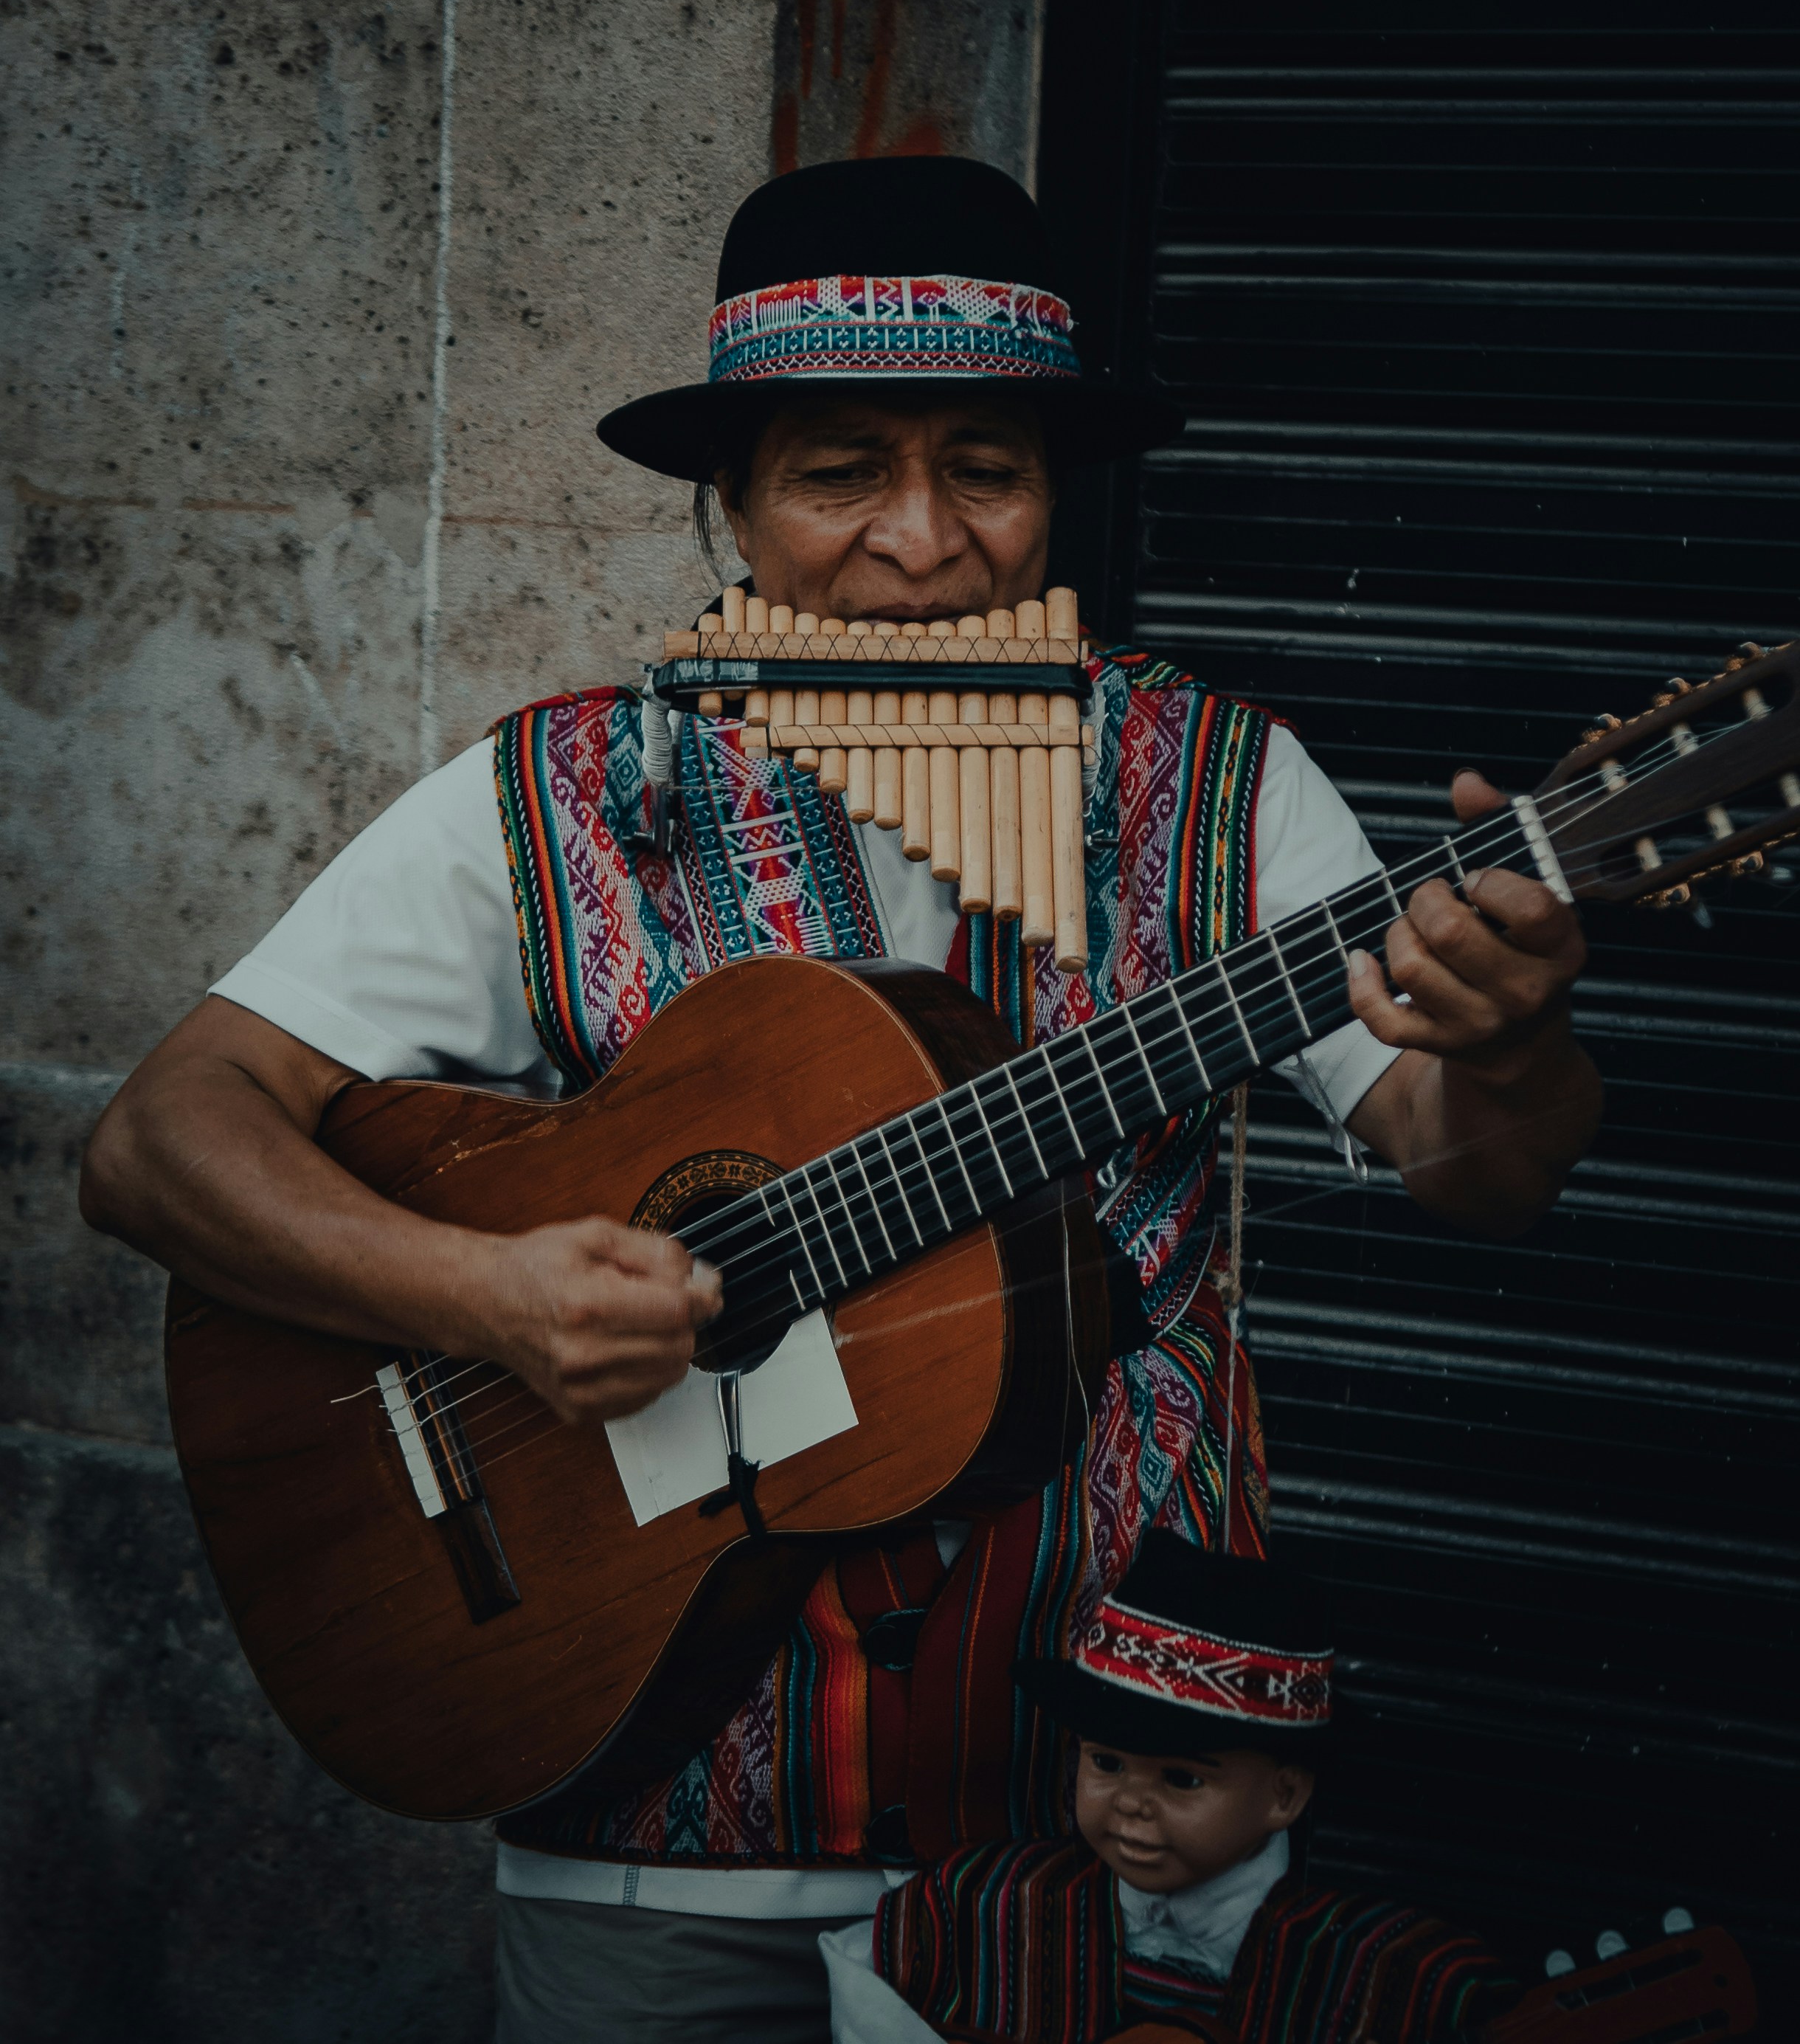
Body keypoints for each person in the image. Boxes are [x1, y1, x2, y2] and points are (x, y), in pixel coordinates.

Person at [80, 156, 1600, 2044]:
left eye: (984, 462)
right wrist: (481, 1302)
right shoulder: (555, 795)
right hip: (650, 1809)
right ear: (729, 506)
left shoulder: (1218, 783)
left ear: (1053, 488)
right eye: (834, 468)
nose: (918, 540)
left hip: (1093, 1862)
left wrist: (1511, 1041)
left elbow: (1480, 1171)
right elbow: (161, 1135)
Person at [823, 1538, 1517, 2043]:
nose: (1130, 1801)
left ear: (1285, 1795)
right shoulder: (974, 1911)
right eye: (1106, 1764)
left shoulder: (1397, 1979)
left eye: (1182, 1778)